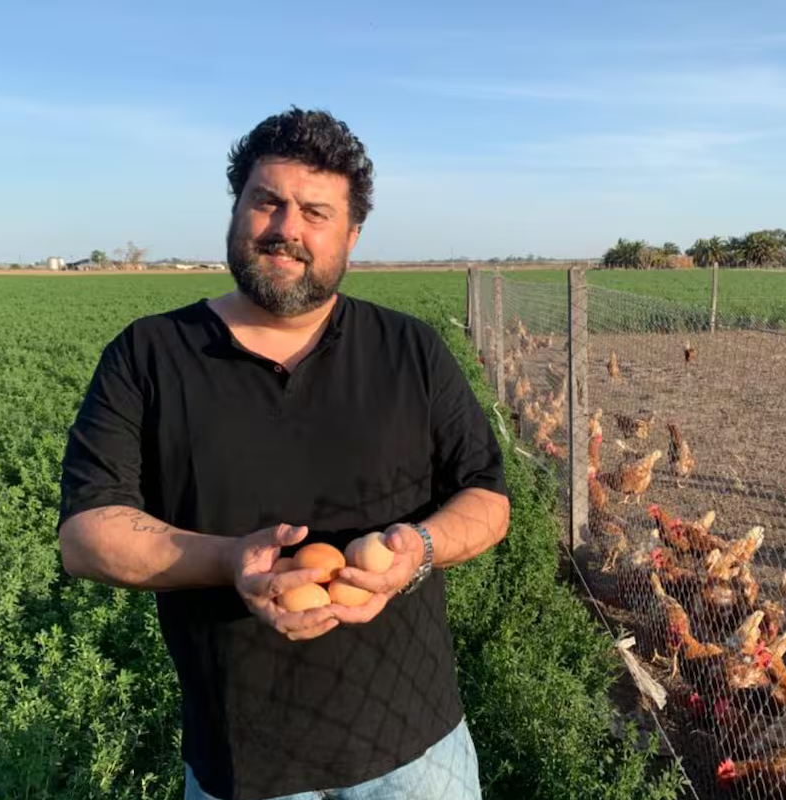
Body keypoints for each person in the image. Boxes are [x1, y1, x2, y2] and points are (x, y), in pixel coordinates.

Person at [56, 106, 511, 800]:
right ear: (237, 210)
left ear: (351, 235)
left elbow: (487, 497)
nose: (286, 228)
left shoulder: (409, 350)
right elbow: (87, 535)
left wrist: (418, 546)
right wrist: (228, 560)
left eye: (315, 212)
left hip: (418, 754)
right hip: (244, 763)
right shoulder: (149, 356)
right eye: (267, 201)